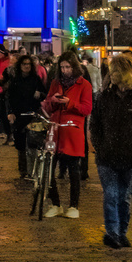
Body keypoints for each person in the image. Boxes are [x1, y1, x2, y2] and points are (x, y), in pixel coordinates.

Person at [90, 53, 132, 249]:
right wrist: (100, 146)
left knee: (124, 196)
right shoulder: (104, 97)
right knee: (111, 194)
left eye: (118, 69)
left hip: (130, 156)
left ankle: (122, 231)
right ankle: (112, 233)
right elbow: (95, 125)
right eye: (113, 70)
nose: (114, 74)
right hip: (107, 156)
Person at [42, 52, 93, 219]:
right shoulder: (55, 83)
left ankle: (73, 206)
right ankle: (55, 204)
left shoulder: (84, 84)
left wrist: (69, 103)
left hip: (72, 131)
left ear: (74, 67)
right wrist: (54, 101)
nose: (65, 70)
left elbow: (86, 108)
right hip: (55, 131)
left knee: (73, 171)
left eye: (67, 67)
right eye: (62, 67)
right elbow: (48, 106)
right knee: (48, 170)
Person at [5, 53, 46, 178]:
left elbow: (45, 93)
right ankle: (23, 170)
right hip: (19, 115)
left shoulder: (35, 79)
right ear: (20, 65)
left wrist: (40, 95)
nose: (26, 66)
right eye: (24, 64)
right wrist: (10, 112)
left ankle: (33, 169)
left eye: (28, 64)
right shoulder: (15, 80)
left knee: (33, 142)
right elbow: (9, 97)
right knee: (20, 143)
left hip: (33, 113)